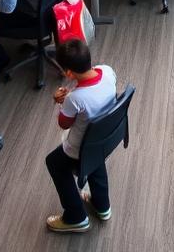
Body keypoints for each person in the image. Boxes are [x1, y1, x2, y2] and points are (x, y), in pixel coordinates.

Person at [44, 39, 117, 234]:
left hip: (80, 149)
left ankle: (75, 217)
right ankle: (102, 206)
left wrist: (60, 101)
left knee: (54, 163)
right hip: (103, 139)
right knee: (95, 160)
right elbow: (95, 95)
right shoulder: (107, 71)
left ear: (69, 73)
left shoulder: (74, 99)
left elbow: (64, 124)